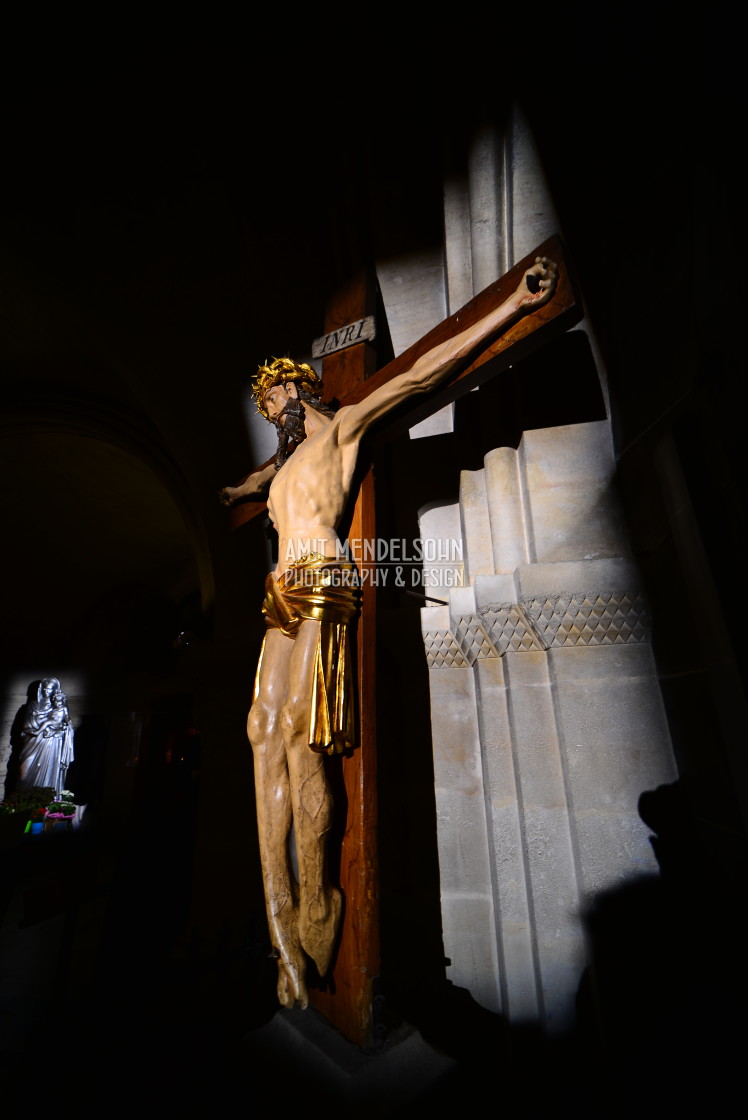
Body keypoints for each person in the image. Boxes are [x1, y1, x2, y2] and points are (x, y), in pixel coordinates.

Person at [220, 256, 558, 1009]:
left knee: (305, 743)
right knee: (258, 730)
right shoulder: (274, 477)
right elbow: (252, 491)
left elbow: (417, 378)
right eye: (264, 399)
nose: (272, 405)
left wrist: (508, 309)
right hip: (278, 594)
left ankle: (319, 904)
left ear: (302, 389)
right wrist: (240, 488)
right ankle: (279, 927)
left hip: (323, 580)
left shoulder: (340, 431)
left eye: (278, 391)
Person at [17, 678, 75, 795]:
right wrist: (40, 723)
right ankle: (23, 800)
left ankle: (46, 801)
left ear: (55, 691)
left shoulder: (61, 707)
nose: (46, 691)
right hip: (33, 742)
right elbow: (26, 725)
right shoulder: (33, 705)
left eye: (49, 689)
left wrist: (57, 729)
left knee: (49, 772)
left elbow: (66, 724)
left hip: (51, 744)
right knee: (24, 773)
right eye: (44, 689)